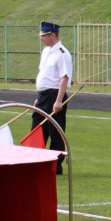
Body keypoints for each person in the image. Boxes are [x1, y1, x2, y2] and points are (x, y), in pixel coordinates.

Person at [32, 22, 72, 174]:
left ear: (52, 35)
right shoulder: (46, 52)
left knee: (55, 132)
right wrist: (39, 97)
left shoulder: (62, 53)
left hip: (55, 95)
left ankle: (56, 165)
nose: (41, 39)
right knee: (37, 130)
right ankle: (36, 161)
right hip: (43, 97)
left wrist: (58, 101)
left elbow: (64, 78)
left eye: (43, 36)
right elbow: (45, 75)